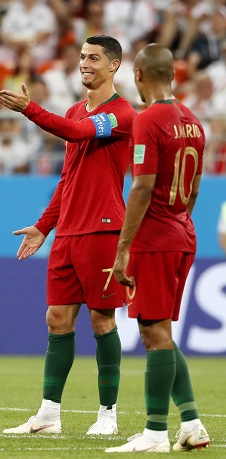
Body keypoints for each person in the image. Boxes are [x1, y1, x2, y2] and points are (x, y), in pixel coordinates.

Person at [0, 35, 136, 435]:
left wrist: (30, 110)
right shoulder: (77, 110)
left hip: (103, 230)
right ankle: (48, 415)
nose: (84, 63)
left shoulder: (121, 114)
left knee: (102, 320)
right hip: (69, 234)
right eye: (81, 56)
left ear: (114, 66)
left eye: (94, 58)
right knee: (57, 319)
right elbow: (68, 178)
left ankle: (107, 415)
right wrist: (44, 225)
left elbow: (77, 134)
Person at [107, 43, 211, 454]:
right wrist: (180, 221)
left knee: (153, 332)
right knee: (161, 331)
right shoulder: (194, 122)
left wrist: (123, 248)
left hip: (154, 239)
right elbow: (197, 188)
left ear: (137, 76)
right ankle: (192, 424)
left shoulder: (148, 120)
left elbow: (143, 185)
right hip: (183, 233)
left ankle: (154, 434)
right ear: (172, 75)